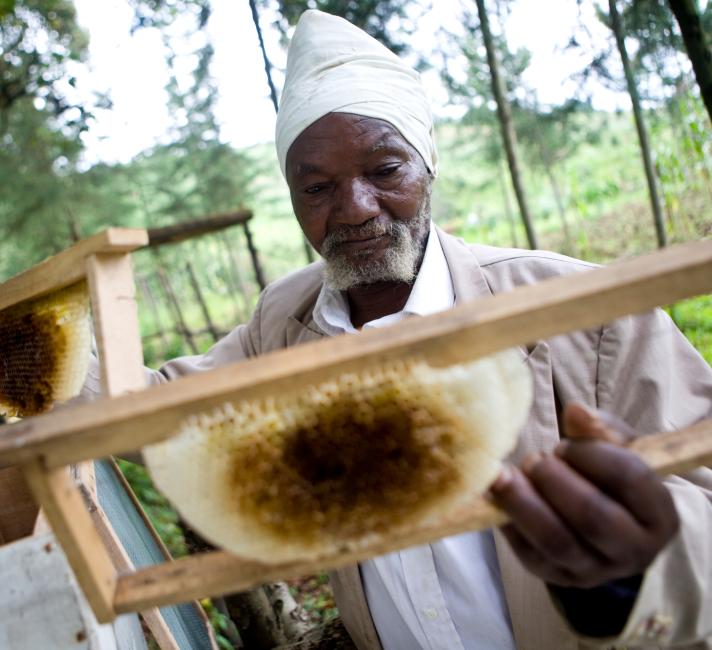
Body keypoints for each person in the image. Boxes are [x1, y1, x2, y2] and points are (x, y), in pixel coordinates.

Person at [85, 10, 712, 649]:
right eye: (319, 187)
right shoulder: (284, 326)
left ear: (428, 162)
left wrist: (634, 575)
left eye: (385, 170)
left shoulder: (584, 310)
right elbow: (153, 409)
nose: (355, 209)